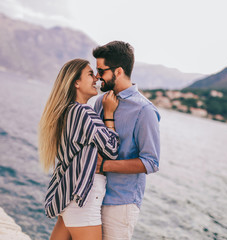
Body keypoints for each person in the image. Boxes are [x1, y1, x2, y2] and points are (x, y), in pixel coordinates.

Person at [38, 58, 120, 240]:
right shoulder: (83, 112)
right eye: (90, 74)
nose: (96, 79)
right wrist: (109, 114)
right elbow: (112, 150)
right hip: (84, 200)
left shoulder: (66, 111)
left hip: (71, 197)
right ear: (76, 82)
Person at [92, 41, 161, 240]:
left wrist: (106, 165)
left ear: (118, 71)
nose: (97, 77)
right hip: (91, 195)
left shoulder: (144, 111)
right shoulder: (100, 101)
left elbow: (151, 162)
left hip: (120, 203)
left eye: (101, 71)